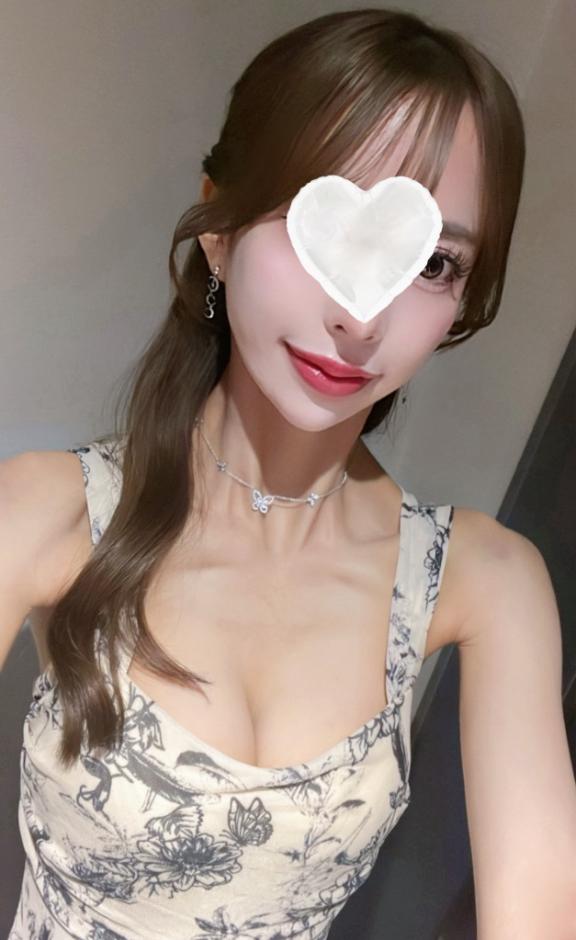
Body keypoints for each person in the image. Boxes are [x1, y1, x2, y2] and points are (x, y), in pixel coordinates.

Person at [3, 7, 576, 940]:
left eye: (433, 262)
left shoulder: (485, 583)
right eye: (321, 224)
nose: (362, 315)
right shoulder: (45, 512)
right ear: (220, 228)